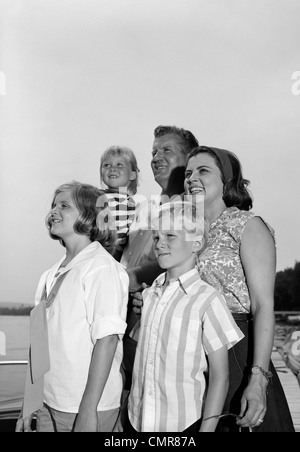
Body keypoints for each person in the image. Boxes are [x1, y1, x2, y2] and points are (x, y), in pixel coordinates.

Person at [184, 146, 295, 432]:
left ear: (228, 180)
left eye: (203, 170)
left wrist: (258, 376)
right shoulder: (185, 233)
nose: (191, 178)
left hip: (237, 350)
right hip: (193, 351)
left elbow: (262, 305)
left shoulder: (247, 224)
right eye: (188, 173)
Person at [16, 182, 129, 432]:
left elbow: (107, 341)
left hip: (87, 407)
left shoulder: (102, 268)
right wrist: (29, 402)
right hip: (48, 403)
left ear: (90, 216)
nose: (54, 211)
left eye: (64, 205)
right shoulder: (50, 274)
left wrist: (89, 411)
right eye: (53, 205)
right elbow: (39, 341)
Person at [127, 201, 244, 432]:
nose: (160, 244)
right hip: (137, 420)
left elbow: (220, 376)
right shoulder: (148, 295)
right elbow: (140, 358)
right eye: (157, 237)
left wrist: (207, 430)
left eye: (170, 236)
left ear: (196, 243)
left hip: (184, 424)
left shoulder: (208, 299)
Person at [121, 125, 199, 389]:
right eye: (154, 151)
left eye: (167, 150)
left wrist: (124, 279)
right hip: (125, 327)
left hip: (160, 337)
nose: (156, 157)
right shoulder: (144, 209)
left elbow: (186, 263)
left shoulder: (193, 210)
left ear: (190, 159)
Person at [100, 145, 139, 262]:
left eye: (119, 165)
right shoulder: (96, 196)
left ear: (133, 174)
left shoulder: (135, 203)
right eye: (106, 165)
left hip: (119, 257)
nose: (112, 168)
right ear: (101, 175)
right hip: (99, 250)